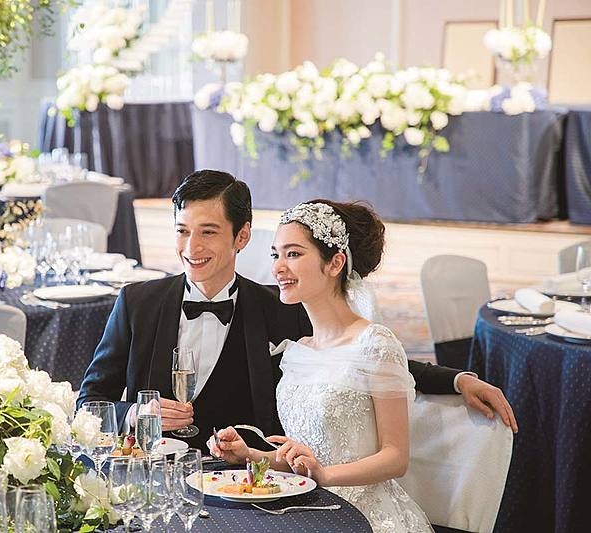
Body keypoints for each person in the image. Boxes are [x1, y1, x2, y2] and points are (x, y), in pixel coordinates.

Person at [77, 170, 517, 451]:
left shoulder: (281, 306)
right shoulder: (136, 303)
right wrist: (133, 413)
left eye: (208, 232)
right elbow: (88, 403)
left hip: (248, 484)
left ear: (242, 236)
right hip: (156, 476)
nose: (192, 248)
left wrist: (457, 378)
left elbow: (361, 354)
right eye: (182, 231)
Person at [208, 200, 429, 531]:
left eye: (294, 254)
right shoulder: (299, 351)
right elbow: (302, 462)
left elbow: (396, 458)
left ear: (335, 263)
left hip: (364, 516)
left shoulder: (375, 344)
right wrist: (250, 455)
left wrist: (324, 476)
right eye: (275, 255)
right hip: (304, 507)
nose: (279, 267)